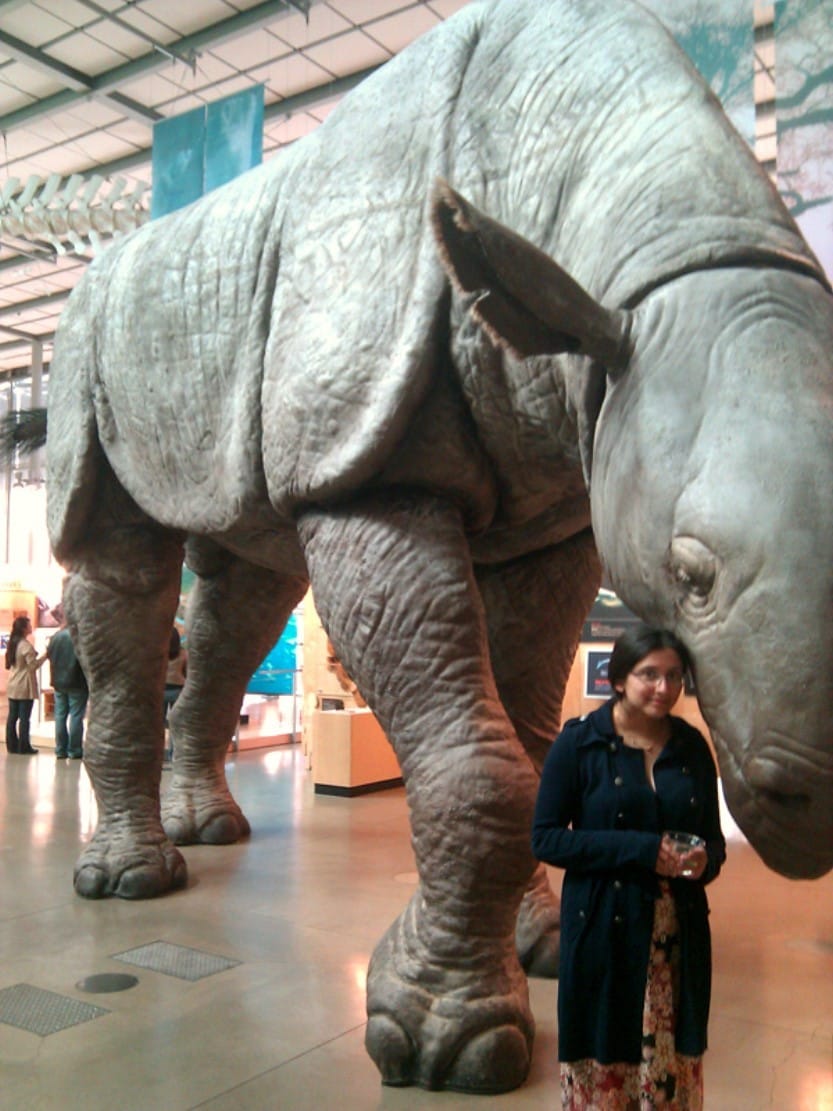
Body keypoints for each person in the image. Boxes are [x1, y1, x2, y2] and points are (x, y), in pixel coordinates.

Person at [532, 624, 726, 1110]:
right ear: (618, 678)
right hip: (603, 929)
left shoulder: (691, 748)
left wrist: (703, 861)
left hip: (674, 940)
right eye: (649, 674)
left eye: (675, 676)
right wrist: (640, 850)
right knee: (605, 1060)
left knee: (668, 1067)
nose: (664, 688)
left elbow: (715, 843)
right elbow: (547, 838)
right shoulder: (580, 744)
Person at [46, 619, 88, 760]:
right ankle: (74, 749)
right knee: (76, 716)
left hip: (58, 682)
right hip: (77, 681)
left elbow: (49, 656)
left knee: (59, 716)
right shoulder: (78, 639)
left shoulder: (55, 637)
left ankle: (60, 749)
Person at [5, 615, 47, 755]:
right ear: (24, 628)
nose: (31, 627)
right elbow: (33, 666)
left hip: (13, 684)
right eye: (29, 625)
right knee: (24, 718)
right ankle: (24, 746)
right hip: (24, 685)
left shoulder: (13, 643)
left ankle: (12, 745)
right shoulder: (25, 645)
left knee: (12, 717)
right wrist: (45, 656)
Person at [163, 627, 187, 760]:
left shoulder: (160, 652)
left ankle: (158, 753)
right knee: (176, 724)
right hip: (178, 690)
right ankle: (174, 754)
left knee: (158, 724)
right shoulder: (183, 653)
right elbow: (187, 672)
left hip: (161, 690)